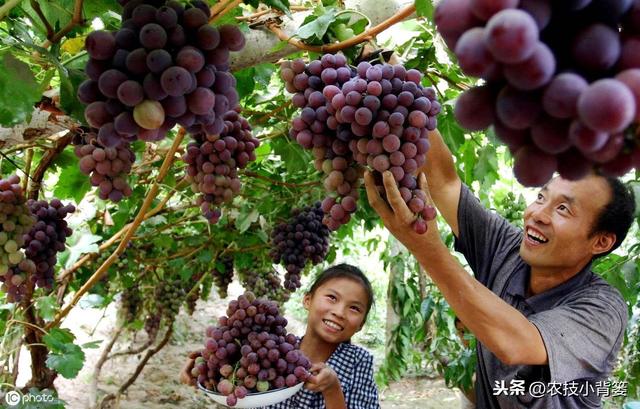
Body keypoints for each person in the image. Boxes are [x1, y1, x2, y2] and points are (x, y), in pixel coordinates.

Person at [364, 129, 635, 408]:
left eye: (563, 209)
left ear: (601, 242)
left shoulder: (603, 309)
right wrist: (412, 99)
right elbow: (443, 182)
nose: (536, 215)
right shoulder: (506, 248)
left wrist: (427, 249)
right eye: (541, 198)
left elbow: (515, 344)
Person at [181, 263, 380, 409]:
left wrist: (332, 390)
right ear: (307, 300)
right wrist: (207, 365)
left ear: (361, 324)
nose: (339, 312)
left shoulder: (359, 362)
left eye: (354, 308)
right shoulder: (274, 351)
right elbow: (237, 384)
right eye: (332, 298)